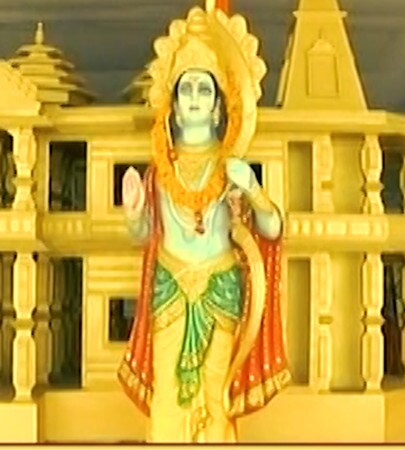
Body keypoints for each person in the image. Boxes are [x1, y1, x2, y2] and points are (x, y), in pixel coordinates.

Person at [117, 7, 290, 443]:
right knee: (166, 393)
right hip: (169, 285)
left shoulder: (230, 170)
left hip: (219, 287)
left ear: (218, 108)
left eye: (204, 89)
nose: (194, 96)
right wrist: (134, 212)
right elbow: (144, 236)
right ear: (173, 108)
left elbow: (272, 229)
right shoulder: (160, 173)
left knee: (214, 393)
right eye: (186, 88)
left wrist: (253, 190)